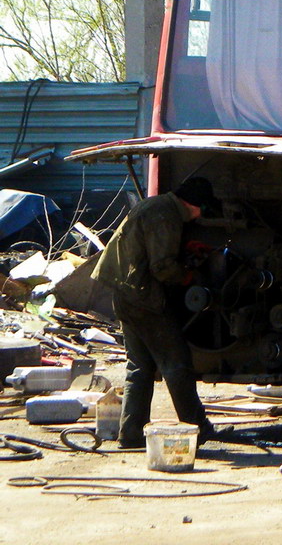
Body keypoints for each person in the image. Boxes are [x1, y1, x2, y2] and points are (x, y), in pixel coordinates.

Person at [94, 177, 222, 448]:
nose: (201, 216)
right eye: (203, 209)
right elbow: (162, 267)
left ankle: (130, 434)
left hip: (125, 294)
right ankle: (198, 429)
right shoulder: (166, 215)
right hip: (144, 298)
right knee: (177, 364)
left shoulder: (154, 206)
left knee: (139, 367)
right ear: (194, 204)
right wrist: (188, 276)